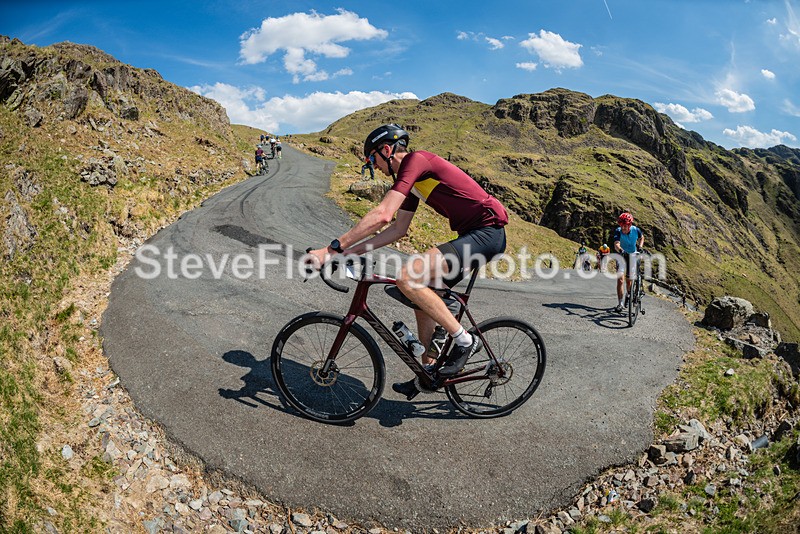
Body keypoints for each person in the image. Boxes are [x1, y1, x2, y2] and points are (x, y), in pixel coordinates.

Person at [306, 124, 509, 398]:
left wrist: (330, 250)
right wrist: (348, 253)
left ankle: (464, 341)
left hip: (488, 233)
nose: (372, 166)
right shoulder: (410, 182)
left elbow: (382, 215)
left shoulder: (417, 161)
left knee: (407, 277)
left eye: (371, 159)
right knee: (421, 298)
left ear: (387, 150)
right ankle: (429, 373)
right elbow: (397, 230)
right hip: (473, 235)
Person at [613, 212, 644, 312]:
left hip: (633, 254)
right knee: (620, 279)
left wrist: (640, 246)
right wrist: (621, 250)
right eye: (622, 225)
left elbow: (642, 237)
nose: (623, 228)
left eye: (625, 226)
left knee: (629, 280)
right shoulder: (618, 231)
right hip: (622, 255)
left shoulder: (636, 230)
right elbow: (616, 244)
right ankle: (620, 304)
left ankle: (629, 295)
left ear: (630, 225)